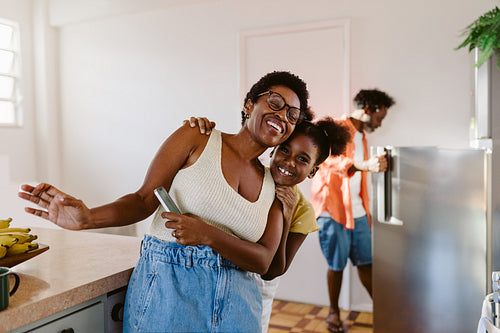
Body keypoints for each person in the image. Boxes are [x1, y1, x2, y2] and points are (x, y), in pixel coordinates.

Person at [18, 71, 313, 332]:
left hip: (237, 307)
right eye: (275, 102)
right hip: (168, 294)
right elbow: (144, 199)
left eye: (292, 115)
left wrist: (207, 234)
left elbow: (263, 261)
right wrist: (88, 218)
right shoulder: (197, 137)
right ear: (250, 104)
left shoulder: (275, 186)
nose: (283, 115)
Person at [183, 115, 351, 332]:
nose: (289, 162)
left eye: (302, 159)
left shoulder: (303, 210)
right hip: (209, 279)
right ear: (273, 149)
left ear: (312, 171)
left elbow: (274, 270)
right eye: (285, 150)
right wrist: (201, 128)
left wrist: (287, 215)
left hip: (258, 291)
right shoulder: (251, 176)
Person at [310, 89, 395, 333]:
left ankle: (383, 310)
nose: (379, 124)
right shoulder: (335, 128)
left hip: (358, 212)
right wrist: (363, 165)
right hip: (333, 210)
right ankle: (333, 312)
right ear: (369, 110)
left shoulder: (363, 138)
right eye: (380, 118)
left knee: (367, 262)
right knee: (336, 265)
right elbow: (325, 160)